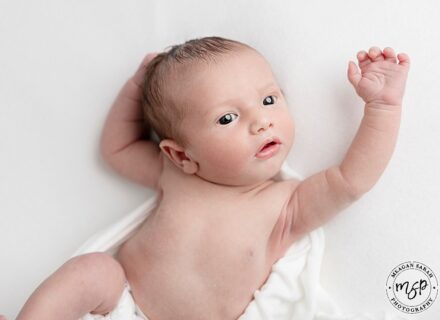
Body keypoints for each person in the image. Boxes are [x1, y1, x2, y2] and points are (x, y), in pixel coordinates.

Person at [16, 36, 410, 320]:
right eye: (227, 118)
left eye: (269, 99)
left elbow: (351, 180)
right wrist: (137, 86)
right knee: (93, 270)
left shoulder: (286, 204)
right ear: (181, 154)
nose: (262, 121)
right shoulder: (176, 174)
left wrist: (383, 107)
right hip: (125, 306)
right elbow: (116, 150)